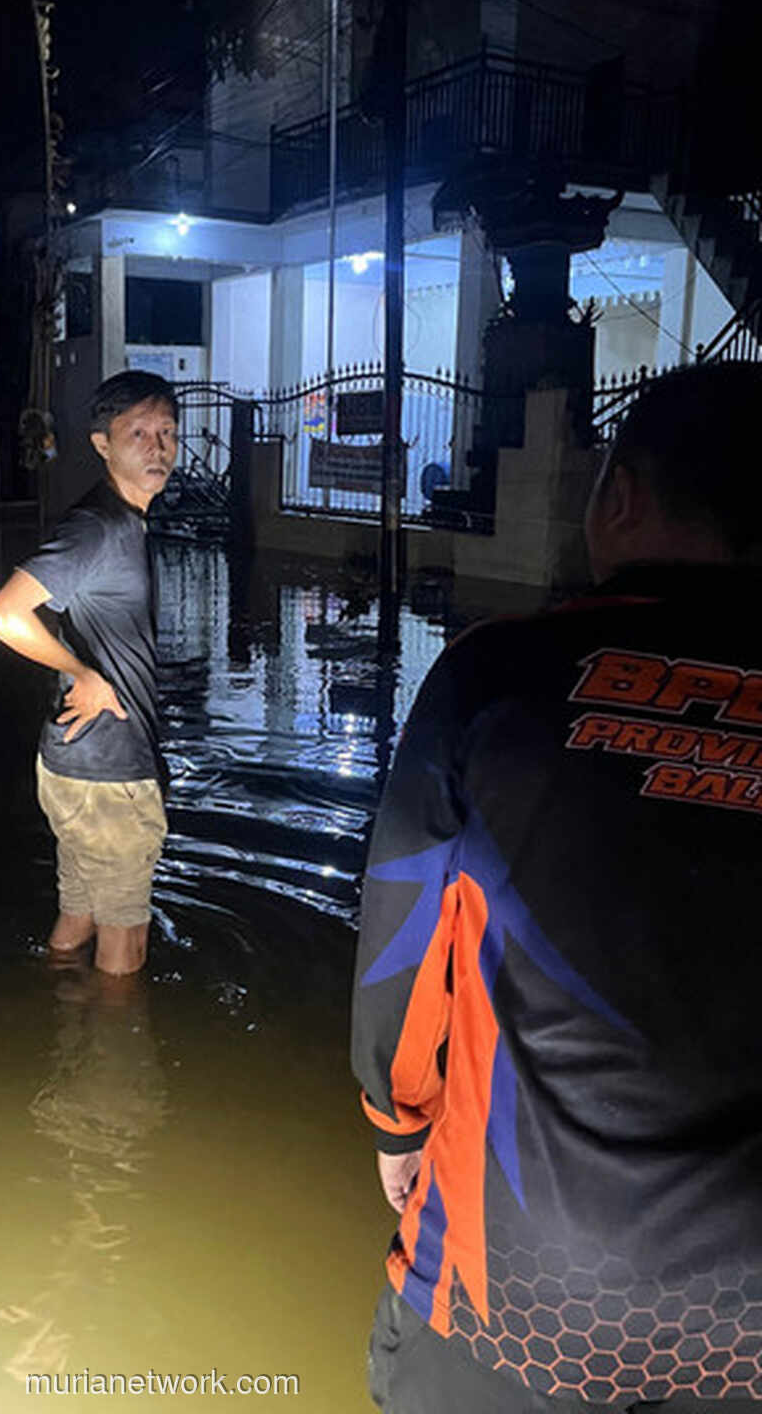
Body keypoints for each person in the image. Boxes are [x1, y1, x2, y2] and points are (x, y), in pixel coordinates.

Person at [352, 361, 762, 1412]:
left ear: (621, 495)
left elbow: (403, 936)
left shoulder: (499, 675)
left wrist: (399, 1124)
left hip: (523, 1293)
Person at [0, 371, 178, 977]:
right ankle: (115, 1065)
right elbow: (0, 616)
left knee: (79, 920)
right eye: (138, 432)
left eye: (168, 432)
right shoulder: (102, 527)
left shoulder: (121, 523)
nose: (157, 447)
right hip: (109, 775)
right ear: (102, 444)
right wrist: (83, 674)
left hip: (74, 764)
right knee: (127, 947)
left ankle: (53, 1011)